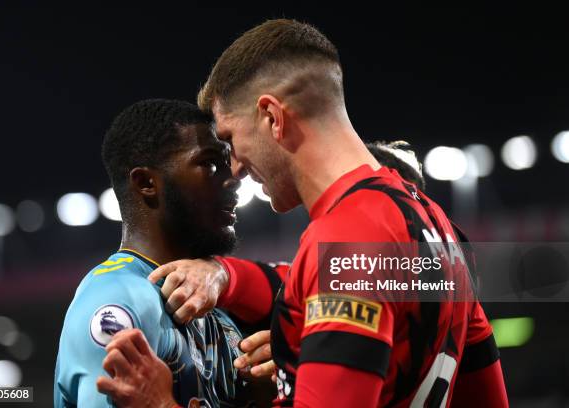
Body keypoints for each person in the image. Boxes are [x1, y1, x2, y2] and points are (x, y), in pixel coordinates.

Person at [103, 20, 509, 408]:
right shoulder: (439, 226)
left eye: (229, 138)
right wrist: (224, 275)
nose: (236, 167)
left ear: (272, 118)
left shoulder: (348, 237)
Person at [54, 99, 251, 408]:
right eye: (211, 164)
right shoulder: (118, 301)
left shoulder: (218, 313)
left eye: (229, 162)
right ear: (146, 183)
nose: (233, 179)